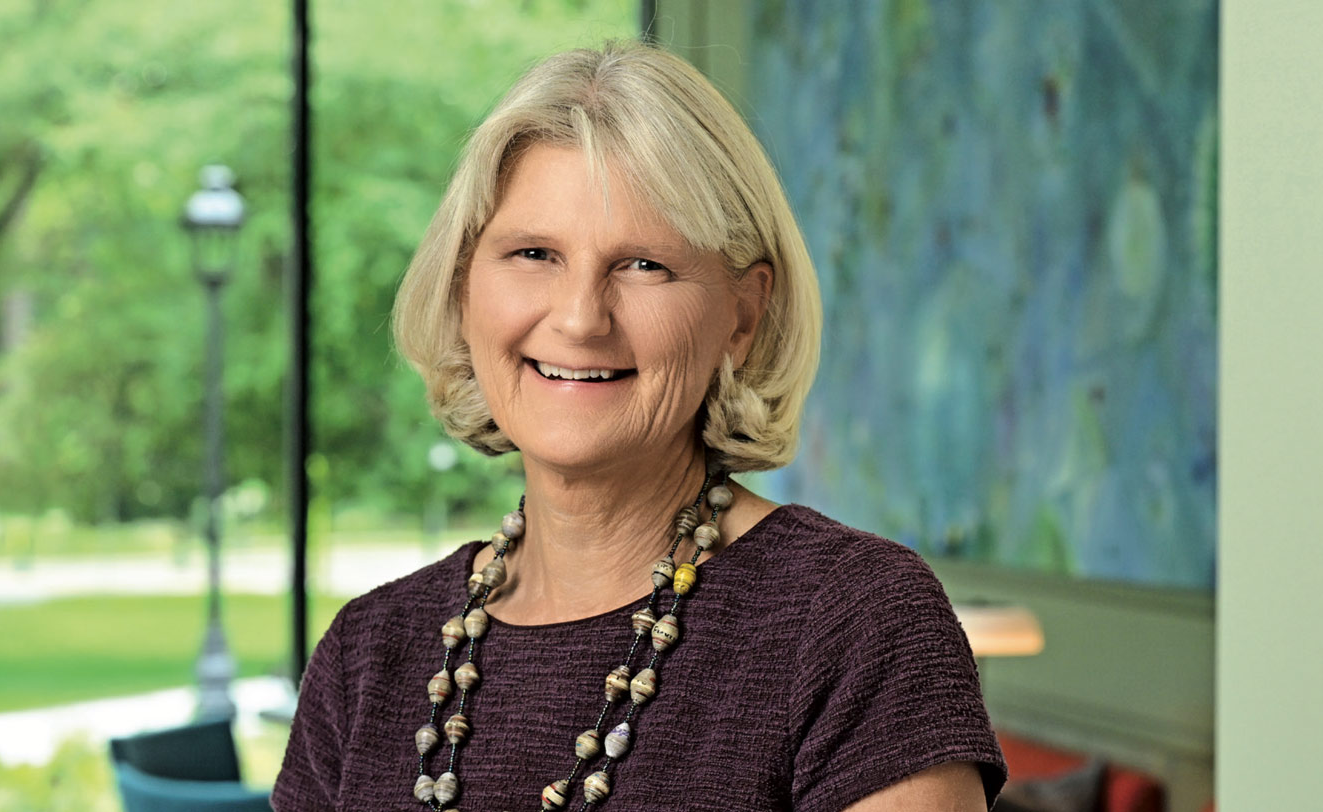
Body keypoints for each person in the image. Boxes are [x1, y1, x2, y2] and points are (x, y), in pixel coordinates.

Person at [272, 41, 1006, 811]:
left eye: (645, 265)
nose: (581, 318)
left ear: (743, 314)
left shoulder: (857, 622)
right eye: (533, 253)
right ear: (463, 291)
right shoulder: (369, 652)